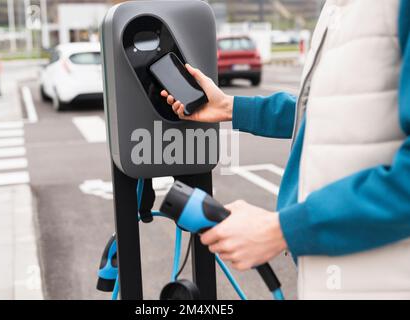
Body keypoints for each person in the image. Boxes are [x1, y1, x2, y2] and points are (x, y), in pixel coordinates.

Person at [161, 0, 410, 299]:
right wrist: (230, 107)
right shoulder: (339, 8)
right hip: (334, 273)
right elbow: (324, 111)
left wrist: (282, 229)